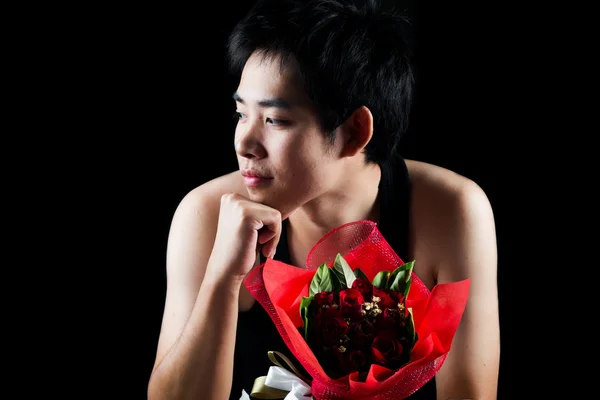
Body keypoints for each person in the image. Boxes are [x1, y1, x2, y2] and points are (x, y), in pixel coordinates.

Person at [147, 0, 500, 399]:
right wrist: (223, 279)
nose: (244, 144)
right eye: (241, 113)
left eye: (274, 120)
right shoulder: (206, 212)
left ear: (354, 132)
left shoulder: (450, 211)